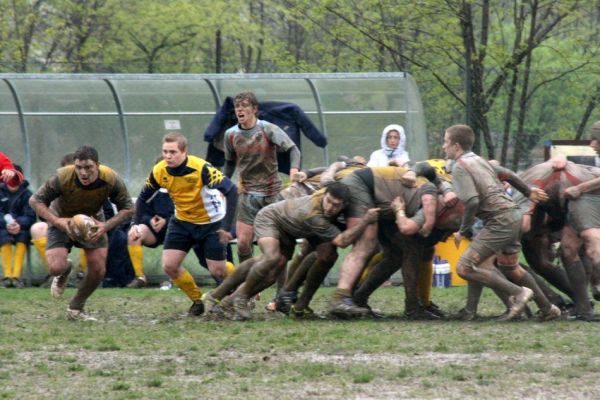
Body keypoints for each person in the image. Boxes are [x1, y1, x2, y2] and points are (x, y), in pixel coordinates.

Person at [205, 182, 380, 320]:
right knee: (270, 258)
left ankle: (225, 299)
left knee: (278, 271)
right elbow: (342, 242)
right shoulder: (314, 214)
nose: (330, 208)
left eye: (336, 205)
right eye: (329, 202)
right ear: (324, 196)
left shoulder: (327, 194)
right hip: (271, 218)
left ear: (344, 205)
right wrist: (366, 220)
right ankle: (239, 297)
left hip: (293, 227)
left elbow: (329, 179)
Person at [442, 124, 551, 321]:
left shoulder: (460, 167)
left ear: (456, 146)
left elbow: (473, 201)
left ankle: (518, 294)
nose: (443, 147)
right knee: (509, 267)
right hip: (513, 215)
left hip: (499, 221)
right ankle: (548, 309)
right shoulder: (478, 160)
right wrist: (528, 192)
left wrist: (463, 231)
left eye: (445, 142)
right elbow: (508, 174)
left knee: (464, 268)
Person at [130, 132, 237, 317]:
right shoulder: (159, 170)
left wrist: (226, 227)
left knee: (217, 269)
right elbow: (142, 197)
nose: (168, 156)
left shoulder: (201, 168)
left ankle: (245, 282)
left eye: (172, 152)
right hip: (182, 222)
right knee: (170, 265)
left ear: (184, 152)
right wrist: (135, 223)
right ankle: (197, 301)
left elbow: (232, 190)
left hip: (210, 223)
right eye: (165, 152)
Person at [29, 145, 135, 321]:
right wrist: (56, 221)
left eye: (88, 167)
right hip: (62, 220)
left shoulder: (110, 178)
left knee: (98, 269)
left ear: (97, 165)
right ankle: (64, 271)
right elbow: (35, 200)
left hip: (92, 222)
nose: (83, 173)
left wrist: (105, 226)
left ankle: (76, 307)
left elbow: (129, 208)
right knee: (55, 268)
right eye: (79, 167)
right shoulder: (62, 177)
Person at [224, 91, 301, 263]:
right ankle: (250, 287)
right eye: (237, 106)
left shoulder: (268, 129)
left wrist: (294, 170)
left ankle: (283, 288)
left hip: (271, 193)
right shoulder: (230, 135)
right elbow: (229, 163)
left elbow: (293, 149)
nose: (240, 110)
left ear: (254, 109)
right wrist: (223, 185)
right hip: (247, 195)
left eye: (244, 106)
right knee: (243, 244)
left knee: (278, 244)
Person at [0, 165, 36, 288]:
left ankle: (16, 277)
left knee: (22, 239)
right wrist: (7, 223)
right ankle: (7, 276)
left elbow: (31, 216)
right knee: (4, 238)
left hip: (22, 229)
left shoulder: (28, 194)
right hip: (3, 227)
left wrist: (18, 224)